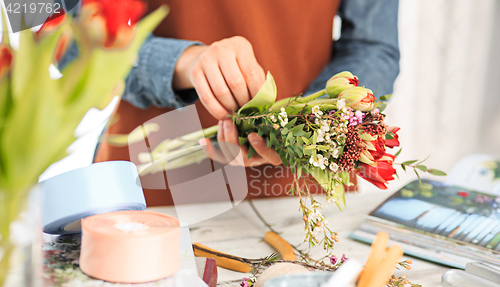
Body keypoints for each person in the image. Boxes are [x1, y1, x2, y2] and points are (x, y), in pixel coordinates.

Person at [89, 0, 400, 206]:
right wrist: (184, 63)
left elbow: (373, 45)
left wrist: (304, 123)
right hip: (149, 185)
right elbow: (66, 36)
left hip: (299, 190)